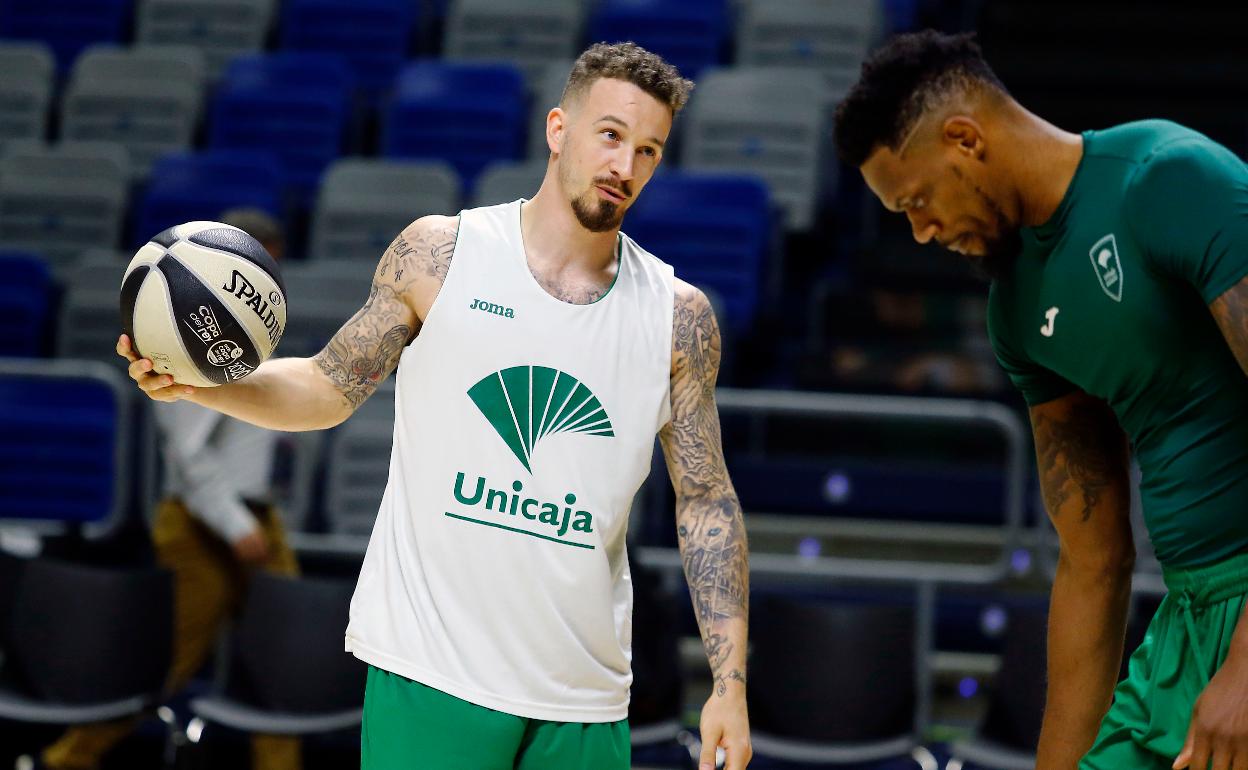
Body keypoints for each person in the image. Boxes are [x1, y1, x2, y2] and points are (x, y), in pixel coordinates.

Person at [118, 43, 752, 770]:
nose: (625, 166)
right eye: (610, 135)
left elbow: (706, 501)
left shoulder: (680, 317)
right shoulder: (441, 254)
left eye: (649, 150)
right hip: (433, 674)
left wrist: (728, 686)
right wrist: (207, 385)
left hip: (584, 697)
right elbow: (327, 386)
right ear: (558, 129)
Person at [834, 29, 1248, 770]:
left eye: (918, 201)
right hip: (1186, 627)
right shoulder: (1016, 311)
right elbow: (1092, 559)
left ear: (965, 138)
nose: (922, 232)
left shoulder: (1165, 179)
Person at [28, 209, 301, 770]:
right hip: (206, 523)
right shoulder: (193, 325)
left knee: (280, 662)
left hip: (255, 517)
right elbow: (187, 449)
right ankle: (63, 761)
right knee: (160, 662)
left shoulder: (244, 329)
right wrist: (235, 523)